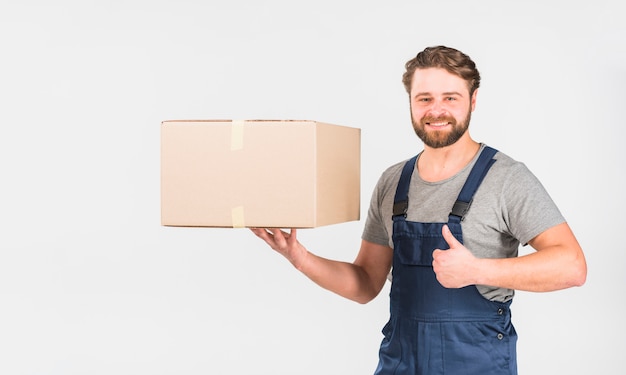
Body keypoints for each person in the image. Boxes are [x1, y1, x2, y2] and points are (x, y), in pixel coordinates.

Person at [251, 45, 587, 375]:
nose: (436, 110)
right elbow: (366, 282)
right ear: (411, 103)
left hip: (477, 365)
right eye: (424, 98)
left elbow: (572, 266)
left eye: (450, 98)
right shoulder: (393, 181)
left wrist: (477, 271)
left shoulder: (506, 178)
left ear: (473, 100)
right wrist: (298, 256)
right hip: (400, 363)